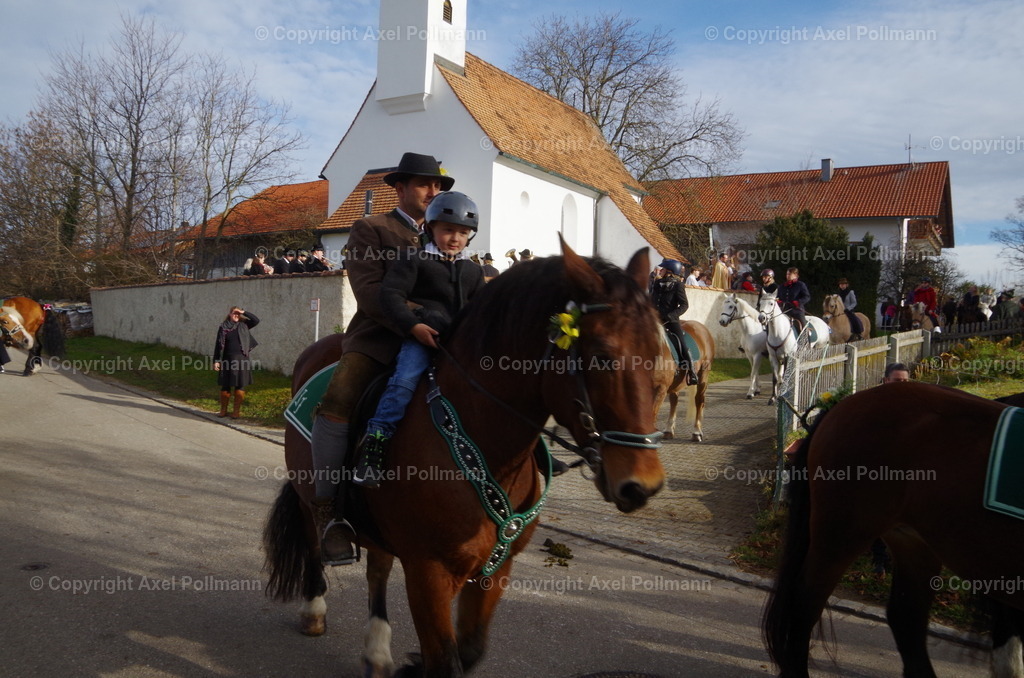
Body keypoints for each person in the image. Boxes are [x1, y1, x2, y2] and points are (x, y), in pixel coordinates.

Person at [309, 151, 453, 565]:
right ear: (400, 188)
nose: (433, 191)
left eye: (438, 185)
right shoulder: (371, 228)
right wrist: (418, 320)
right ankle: (327, 513)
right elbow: (369, 291)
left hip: (441, 338)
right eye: (424, 184)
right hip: (378, 338)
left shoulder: (447, 232)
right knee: (338, 400)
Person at [350, 192, 486, 487]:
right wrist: (413, 326)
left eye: (463, 233)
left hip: (459, 347)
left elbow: (480, 311)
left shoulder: (474, 271)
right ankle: (376, 440)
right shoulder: (415, 260)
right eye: (448, 230)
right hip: (422, 339)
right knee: (404, 382)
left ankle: (531, 450)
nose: (455, 238)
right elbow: (391, 296)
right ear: (431, 228)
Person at [650, 258, 698, 385]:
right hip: (654, 320)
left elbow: (684, 305)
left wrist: (670, 316)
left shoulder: (678, 285)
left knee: (681, 342)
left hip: (671, 321)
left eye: (663, 268)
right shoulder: (656, 283)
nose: (660, 270)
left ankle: (692, 372)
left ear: (670, 271)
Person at [213, 306, 259, 419]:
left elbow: (256, 320)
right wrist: (216, 360)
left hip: (242, 359)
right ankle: (223, 411)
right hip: (227, 359)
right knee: (225, 385)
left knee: (240, 385)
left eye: (238, 314)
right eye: (234, 313)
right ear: (229, 314)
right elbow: (218, 345)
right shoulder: (223, 327)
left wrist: (244, 312)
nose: (236, 315)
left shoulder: (244, 325)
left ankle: (236, 412)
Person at [777, 267, 811, 332]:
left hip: (797, 311)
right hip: (784, 311)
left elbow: (807, 297)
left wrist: (798, 302)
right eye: (787, 274)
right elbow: (778, 297)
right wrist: (779, 301)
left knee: (803, 328)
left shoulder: (800, 285)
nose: (787, 276)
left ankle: (806, 336)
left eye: (789, 274)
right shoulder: (782, 286)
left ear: (795, 275)